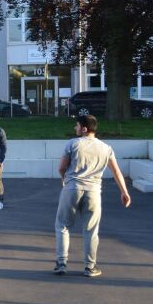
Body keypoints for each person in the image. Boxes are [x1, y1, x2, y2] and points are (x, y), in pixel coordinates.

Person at [54, 114, 131, 277]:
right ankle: (90, 267)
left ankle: (61, 263)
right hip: (94, 191)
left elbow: (61, 167)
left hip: (72, 188)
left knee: (63, 226)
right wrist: (124, 192)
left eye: (76, 126)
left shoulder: (73, 144)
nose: (75, 128)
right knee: (91, 230)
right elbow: (116, 171)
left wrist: (64, 179)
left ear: (84, 128)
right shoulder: (106, 148)